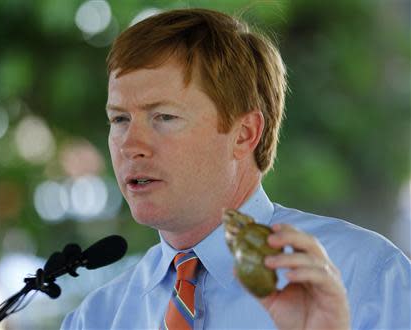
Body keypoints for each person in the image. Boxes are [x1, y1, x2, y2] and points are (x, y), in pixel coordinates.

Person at [61, 8, 411, 329]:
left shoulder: (369, 277)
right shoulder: (97, 317)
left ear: (244, 135)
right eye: (119, 118)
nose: (129, 145)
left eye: (164, 117)